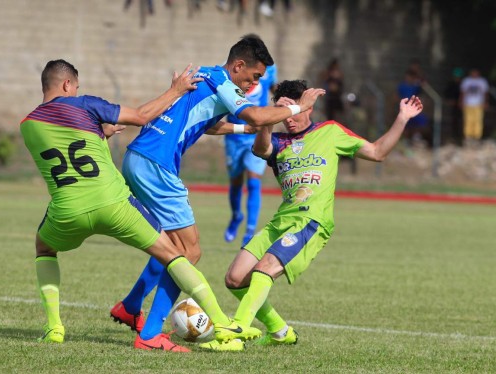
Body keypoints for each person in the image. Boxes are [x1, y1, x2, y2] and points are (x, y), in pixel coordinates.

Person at [20, 59, 260, 351]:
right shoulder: (84, 104)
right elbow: (141, 116)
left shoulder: (28, 125)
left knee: (44, 249)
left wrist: (100, 134)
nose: (76, 92)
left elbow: (71, 151)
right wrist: (175, 90)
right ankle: (221, 323)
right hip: (114, 205)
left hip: (67, 211)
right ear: (68, 84)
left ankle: (54, 327)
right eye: (76, 87)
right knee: (176, 254)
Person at [110, 36, 325, 351]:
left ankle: (130, 307)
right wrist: (299, 106)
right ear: (238, 65)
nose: (254, 85)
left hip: (139, 156)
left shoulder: (208, 76)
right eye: (253, 77)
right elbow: (255, 115)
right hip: (157, 164)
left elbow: (205, 123)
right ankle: (151, 333)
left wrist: (239, 130)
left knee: (171, 245)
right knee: (188, 253)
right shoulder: (225, 81)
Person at [215, 80, 423, 351]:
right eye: (283, 112)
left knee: (264, 269)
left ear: (308, 107)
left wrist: (402, 118)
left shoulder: (330, 132)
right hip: (281, 221)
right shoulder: (278, 141)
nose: (288, 118)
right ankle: (280, 331)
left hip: (311, 222)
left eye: (294, 109)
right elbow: (260, 150)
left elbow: (377, 152)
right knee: (234, 278)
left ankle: (239, 328)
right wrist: (269, 116)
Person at [224, 34, 278, 248]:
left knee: (254, 180)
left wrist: (285, 102)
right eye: (254, 76)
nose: (255, 81)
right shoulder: (233, 72)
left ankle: (249, 231)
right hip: (234, 134)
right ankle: (236, 216)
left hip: (255, 134)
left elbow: (274, 88)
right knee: (236, 181)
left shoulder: (268, 70)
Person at [460, 68, 490, 144]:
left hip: (478, 104)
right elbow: (463, 92)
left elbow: (485, 93)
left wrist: (486, 102)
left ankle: (477, 136)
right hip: (468, 103)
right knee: (468, 120)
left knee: (478, 120)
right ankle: (468, 136)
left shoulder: (482, 81)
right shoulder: (467, 81)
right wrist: (461, 101)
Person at [319, 58, 345, 123]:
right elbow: (323, 80)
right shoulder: (328, 74)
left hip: (337, 98)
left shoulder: (339, 74)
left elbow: (340, 85)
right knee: (330, 117)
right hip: (330, 98)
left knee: (339, 116)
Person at [444, 67, 464, 145]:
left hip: (461, 106)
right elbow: (447, 94)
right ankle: (453, 136)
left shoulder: (462, 84)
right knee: (453, 121)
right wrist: (450, 100)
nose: (457, 79)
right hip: (453, 107)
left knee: (461, 121)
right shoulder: (451, 84)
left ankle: (460, 137)